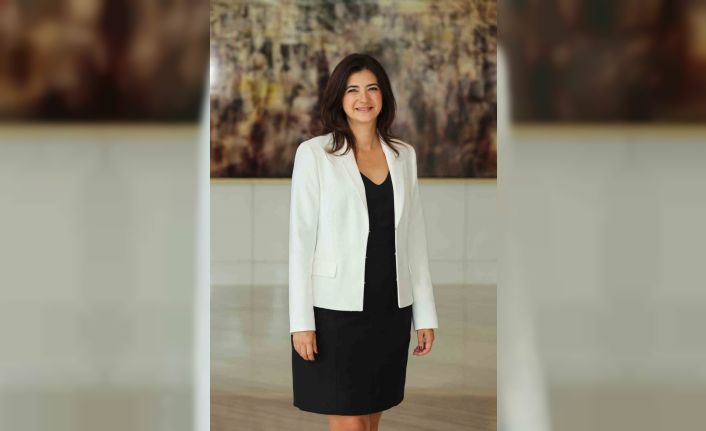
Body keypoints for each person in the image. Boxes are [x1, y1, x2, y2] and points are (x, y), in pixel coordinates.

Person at [289, 53, 438, 431]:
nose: (363, 98)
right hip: (334, 312)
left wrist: (425, 315)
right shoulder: (315, 155)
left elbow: (415, 241)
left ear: (383, 96)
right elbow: (300, 243)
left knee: (370, 420)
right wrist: (300, 323)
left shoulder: (404, 156)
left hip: (389, 308)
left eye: (372, 88)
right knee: (351, 422)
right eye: (352, 90)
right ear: (339, 98)